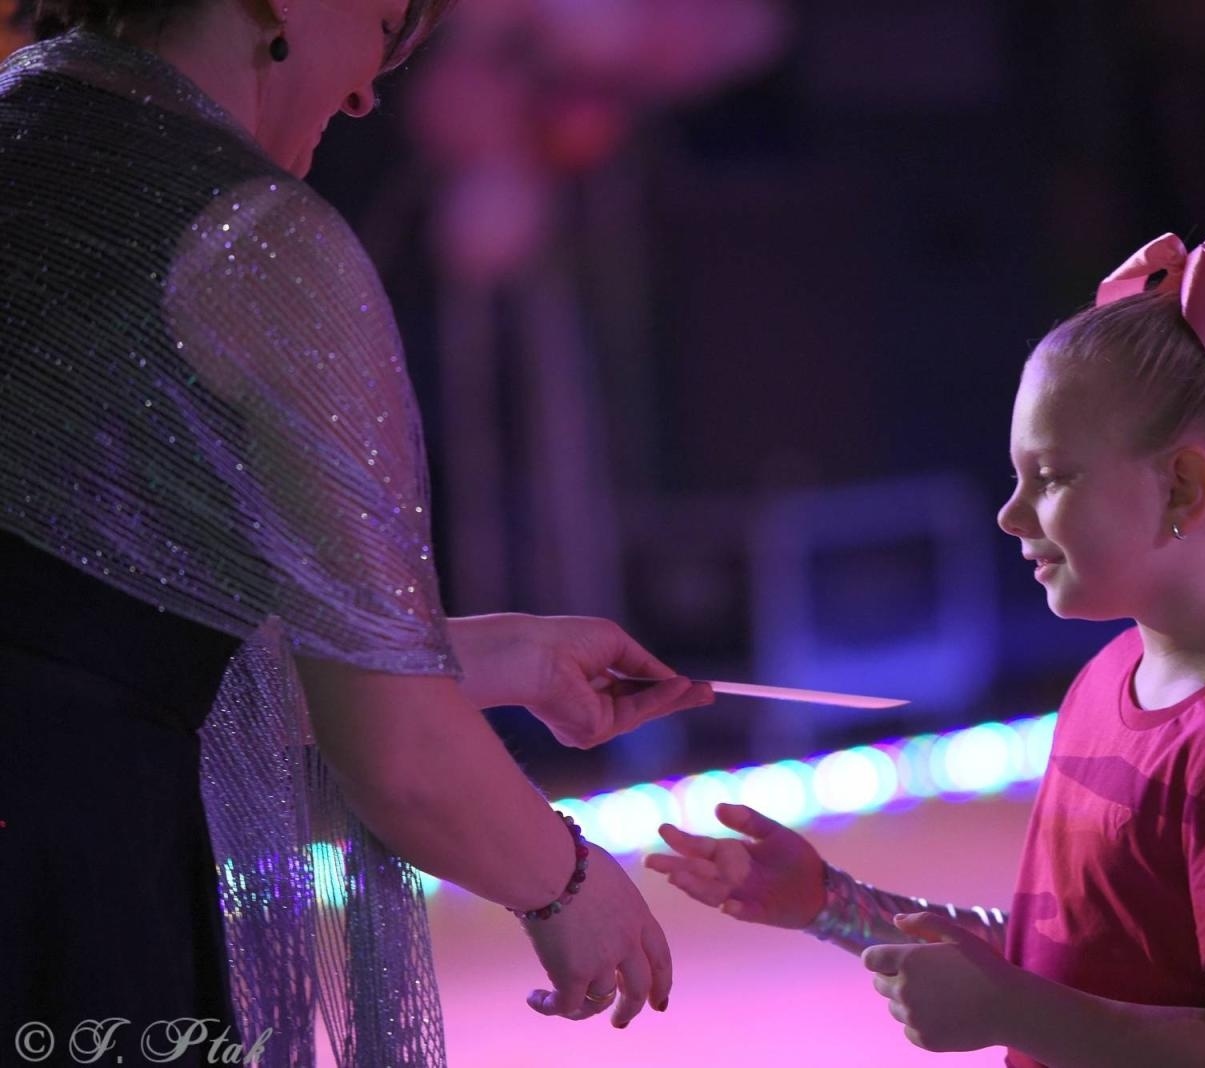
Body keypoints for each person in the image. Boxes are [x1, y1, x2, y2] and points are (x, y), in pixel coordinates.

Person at [0, 1, 711, 1063]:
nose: (373, 85)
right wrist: (564, 882)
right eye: (385, 22)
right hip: (58, 891)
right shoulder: (252, 236)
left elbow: (97, 630)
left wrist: (492, 655)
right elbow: (400, 759)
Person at [647, 222, 1205, 1067]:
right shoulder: (1112, 679)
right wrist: (829, 903)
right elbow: (1072, 958)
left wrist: (1015, 1014)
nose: (1010, 514)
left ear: (1182, 485)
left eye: (1050, 477)